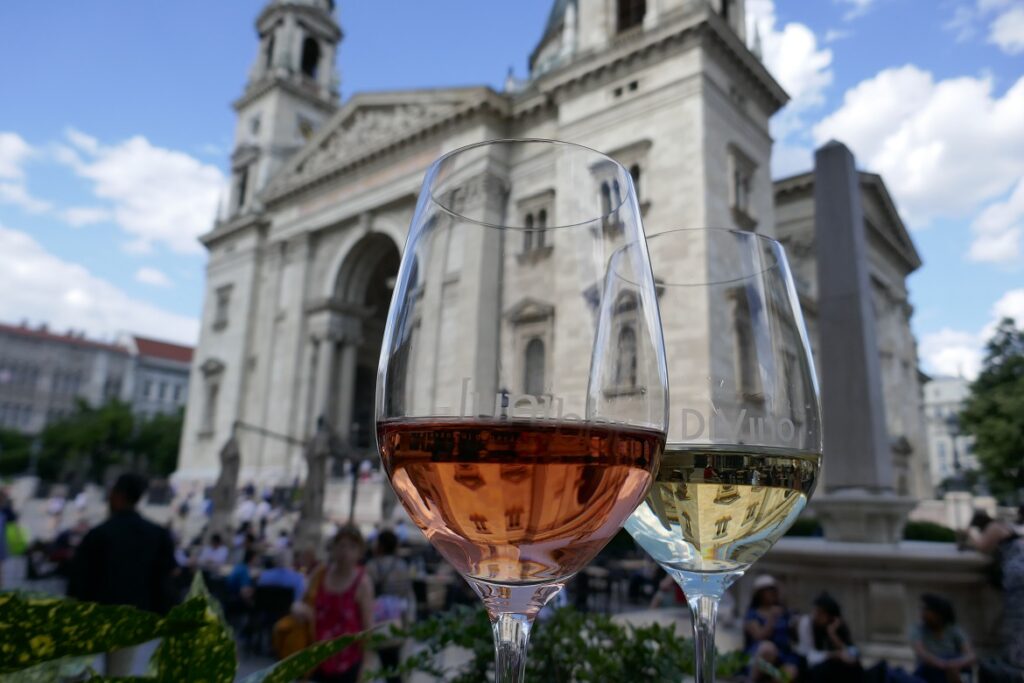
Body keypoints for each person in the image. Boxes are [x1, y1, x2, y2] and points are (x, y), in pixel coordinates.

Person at [67, 473, 177, 676]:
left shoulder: (100, 533)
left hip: (92, 614)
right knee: (119, 673)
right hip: (131, 617)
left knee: (76, 671)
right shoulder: (157, 534)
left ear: (118, 495)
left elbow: (78, 579)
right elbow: (167, 575)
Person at [292, 526, 374, 683]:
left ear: (360, 552)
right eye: (341, 545)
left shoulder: (362, 583)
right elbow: (303, 602)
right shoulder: (320, 574)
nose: (345, 551)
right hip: (315, 657)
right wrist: (297, 609)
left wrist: (367, 667)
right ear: (334, 548)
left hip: (348, 663)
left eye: (352, 546)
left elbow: (368, 629)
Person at [970, 510, 1024, 670]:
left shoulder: (993, 527)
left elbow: (981, 547)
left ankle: (1017, 660)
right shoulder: (1006, 526)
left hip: (1017, 575)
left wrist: (970, 536)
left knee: (1016, 620)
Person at [365, 529, 415, 683]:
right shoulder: (402, 566)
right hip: (396, 620)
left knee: (373, 664)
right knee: (393, 665)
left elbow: (367, 594)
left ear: (380, 545)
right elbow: (407, 594)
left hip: (376, 619)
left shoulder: (371, 566)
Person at [743, 575, 799, 682]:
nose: (771, 593)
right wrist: (771, 619)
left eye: (773, 590)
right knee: (768, 648)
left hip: (782, 654)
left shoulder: (783, 612)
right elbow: (758, 636)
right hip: (760, 654)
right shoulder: (752, 614)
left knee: (789, 671)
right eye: (768, 591)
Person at [796, 592, 861, 683]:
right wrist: (833, 655)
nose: (816, 616)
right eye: (815, 611)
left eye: (821, 613)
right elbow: (808, 655)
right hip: (813, 668)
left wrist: (833, 635)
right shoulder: (807, 623)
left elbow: (852, 655)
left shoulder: (837, 626)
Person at [911, 593, 976, 683]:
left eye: (926, 609)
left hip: (953, 669)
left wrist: (954, 664)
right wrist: (943, 664)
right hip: (930, 670)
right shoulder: (919, 630)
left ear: (938, 614)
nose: (922, 612)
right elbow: (922, 653)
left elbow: (970, 656)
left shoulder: (954, 630)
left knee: (959, 667)